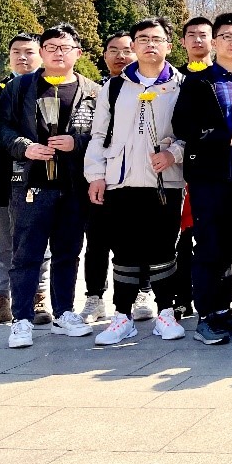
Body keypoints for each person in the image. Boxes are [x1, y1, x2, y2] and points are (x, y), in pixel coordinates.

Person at [84, 17, 187, 345]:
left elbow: (191, 134)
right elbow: (99, 134)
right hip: (121, 180)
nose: (150, 45)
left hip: (164, 182)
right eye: (143, 39)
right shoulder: (115, 86)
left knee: (163, 249)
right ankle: (122, 316)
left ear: (168, 46)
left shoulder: (182, 85)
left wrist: (174, 154)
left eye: (157, 39)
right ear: (134, 45)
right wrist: (96, 175)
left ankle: (166, 313)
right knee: (125, 249)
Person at [1, 23, 100, 348]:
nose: (58, 53)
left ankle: (64, 313)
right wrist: (24, 147)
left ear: (78, 53)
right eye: (51, 47)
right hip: (31, 185)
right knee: (26, 254)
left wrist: (77, 142)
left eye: (65, 47)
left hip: (74, 185)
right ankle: (22, 319)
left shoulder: (92, 91)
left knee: (68, 252)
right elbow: (2, 128)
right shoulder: (19, 88)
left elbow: (106, 135)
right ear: (41, 52)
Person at [172, 12, 232, 345]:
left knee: (230, 248)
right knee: (209, 247)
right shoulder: (199, 82)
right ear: (214, 42)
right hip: (209, 179)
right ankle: (206, 317)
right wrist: (224, 137)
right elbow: (183, 127)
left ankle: (224, 311)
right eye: (227, 37)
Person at [81, 31, 155, 325]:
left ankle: (142, 293)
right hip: (103, 176)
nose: (121, 56)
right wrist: (95, 174)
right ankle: (94, 297)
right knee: (97, 240)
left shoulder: (150, 86)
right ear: (104, 55)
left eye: (127, 50)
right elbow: (96, 136)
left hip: (138, 177)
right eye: (113, 50)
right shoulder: (99, 90)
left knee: (140, 237)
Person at [0, 34, 46, 326]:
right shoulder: (3, 88)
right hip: (4, 177)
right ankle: (2, 299)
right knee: (3, 242)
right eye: (16, 52)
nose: (22, 57)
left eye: (29, 52)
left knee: (38, 241)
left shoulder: (51, 87)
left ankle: (38, 297)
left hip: (40, 177)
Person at [173, 16, 215, 318]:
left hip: (212, 171)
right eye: (192, 35)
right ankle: (181, 297)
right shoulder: (175, 79)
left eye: (204, 35)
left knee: (211, 239)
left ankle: (212, 303)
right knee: (182, 238)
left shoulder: (224, 77)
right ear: (182, 41)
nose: (198, 40)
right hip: (178, 166)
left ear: (214, 40)